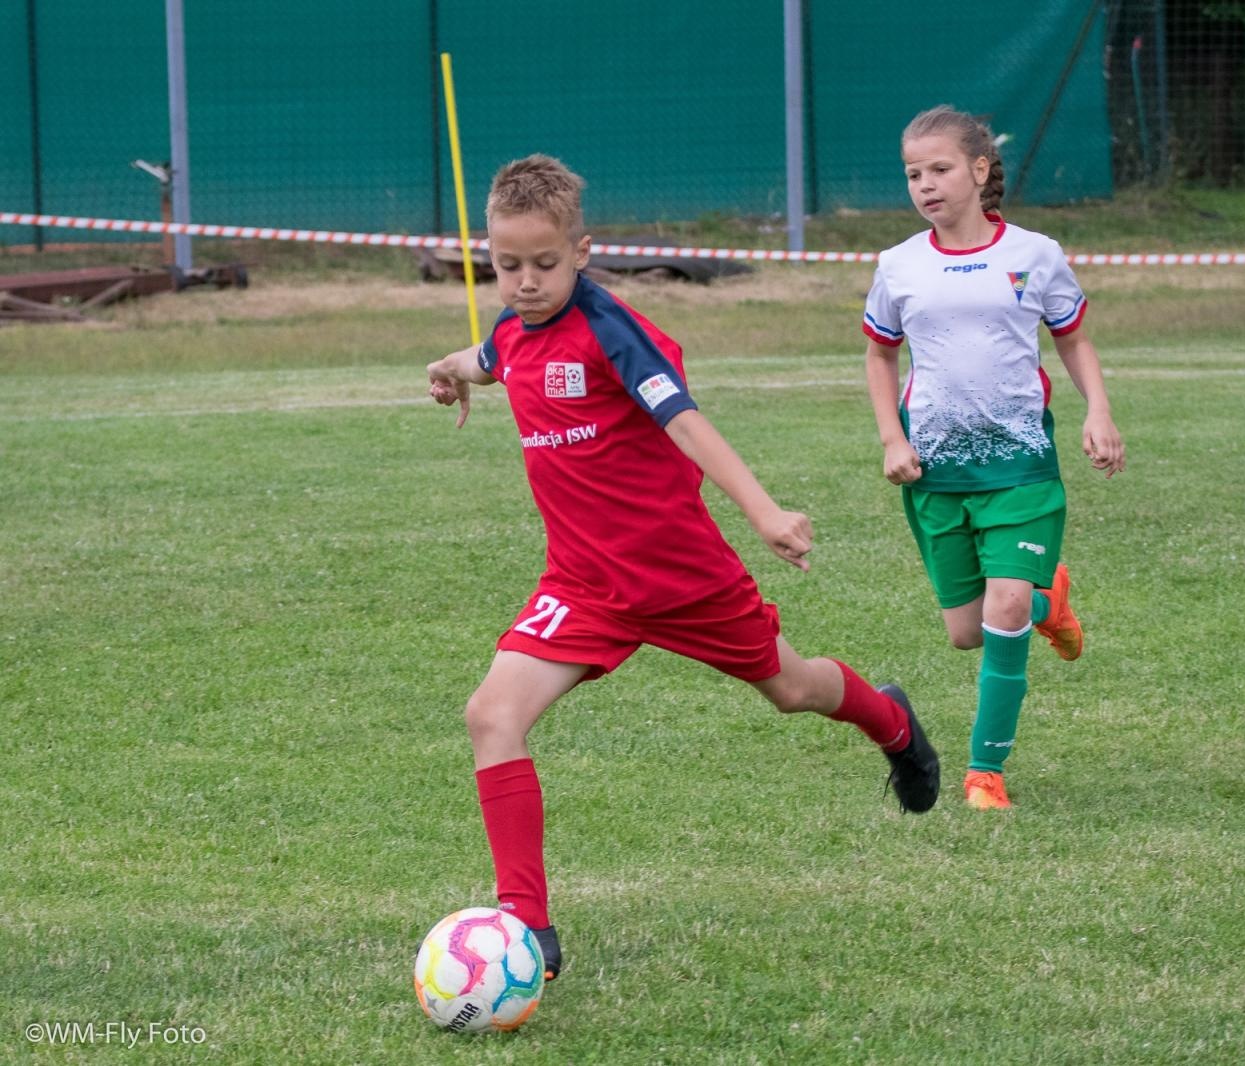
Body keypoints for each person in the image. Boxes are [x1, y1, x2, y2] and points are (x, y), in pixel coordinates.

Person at [426, 154, 940, 981]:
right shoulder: (515, 330)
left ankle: (893, 723)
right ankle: (525, 924)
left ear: (583, 251)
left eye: (544, 265)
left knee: (793, 689)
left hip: (683, 580)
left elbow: (688, 425)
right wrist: (451, 371)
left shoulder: (610, 331)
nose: (524, 282)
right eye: (506, 265)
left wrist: (765, 512)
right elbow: (492, 354)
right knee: (491, 715)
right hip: (584, 586)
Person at [862, 106, 1125, 812]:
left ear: (980, 170)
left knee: (1002, 606)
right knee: (967, 632)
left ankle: (986, 775)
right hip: (937, 475)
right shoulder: (899, 266)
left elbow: (1072, 338)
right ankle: (1050, 599)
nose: (926, 184)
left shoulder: (1034, 255)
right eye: (914, 173)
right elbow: (881, 355)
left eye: (940, 169)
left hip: (1021, 468)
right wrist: (893, 437)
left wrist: (1097, 410)